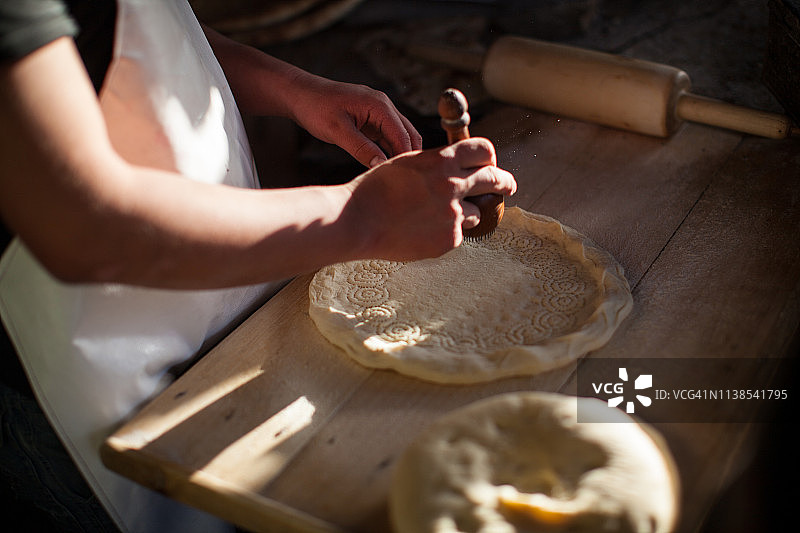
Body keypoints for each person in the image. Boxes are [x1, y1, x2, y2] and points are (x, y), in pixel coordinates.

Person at [0, 1, 516, 532]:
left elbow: (123, 36)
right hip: (71, 376)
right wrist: (361, 216)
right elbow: (80, 228)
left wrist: (292, 88)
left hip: (215, 311)